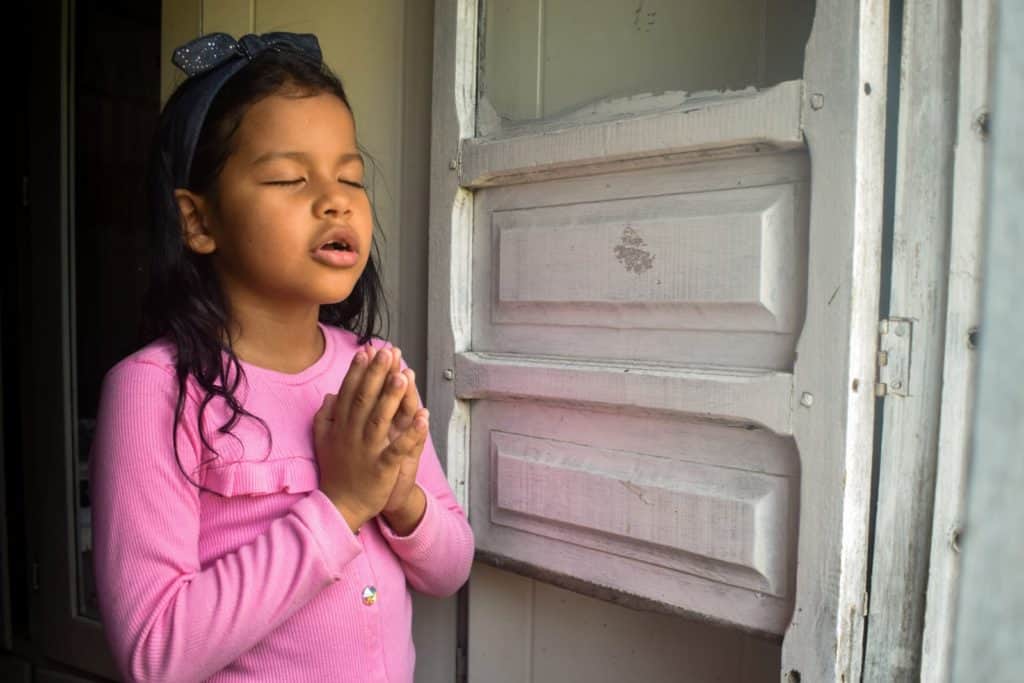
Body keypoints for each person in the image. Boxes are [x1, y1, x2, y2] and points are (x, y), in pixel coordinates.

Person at [88, 31, 474, 682]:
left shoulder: (373, 369)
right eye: (290, 178)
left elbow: (450, 567)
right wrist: (341, 504)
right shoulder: (155, 389)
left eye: (350, 176)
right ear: (199, 221)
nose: (335, 198)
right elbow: (154, 651)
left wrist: (400, 497)